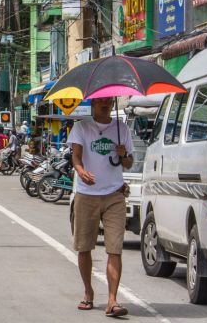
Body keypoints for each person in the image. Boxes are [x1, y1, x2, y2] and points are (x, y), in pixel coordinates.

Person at [69, 96, 133, 318]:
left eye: (109, 100)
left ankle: (112, 300)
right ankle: (88, 291)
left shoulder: (121, 128)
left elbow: (129, 163)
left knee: (114, 248)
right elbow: (75, 156)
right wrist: (80, 170)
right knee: (84, 247)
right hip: (86, 195)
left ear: (113, 103)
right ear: (93, 104)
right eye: (101, 101)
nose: (105, 104)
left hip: (115, 194)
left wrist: (124, 155)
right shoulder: (81, 127)